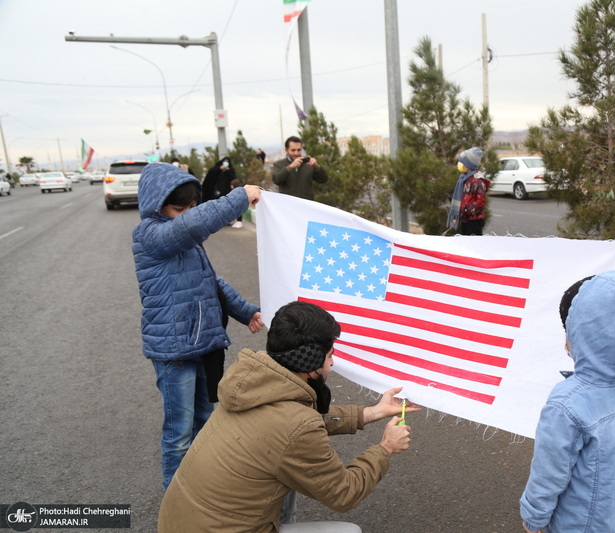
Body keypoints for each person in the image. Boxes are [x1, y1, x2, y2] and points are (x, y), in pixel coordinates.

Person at [158, 301, 415, 533]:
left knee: (289, 469)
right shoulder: (296, 426)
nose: (333, 363)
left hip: (181, 522)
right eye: (329, 356)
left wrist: (373, 412)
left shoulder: (250, 385)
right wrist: (385, 448)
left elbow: (291, 424)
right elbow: (344, 493)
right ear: (310, 363)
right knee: (348, 531)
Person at [132, 162, 265, 491]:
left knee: (206, 424)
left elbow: (211, 282)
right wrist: (238, 198)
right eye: (179, 208)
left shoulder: (181, 236)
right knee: (179, 435)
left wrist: (246, 311)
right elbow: (191, 225)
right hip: (173, 350)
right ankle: (175, 506)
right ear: (156, 203)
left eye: (191, 206)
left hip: (203, 344)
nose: (186, 213)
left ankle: (203, 494)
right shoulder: (150, 234)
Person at [519, 271, 615, 533]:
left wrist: (534, 518)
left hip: (572, 522)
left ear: (584, 331)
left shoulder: (566, 403)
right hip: (611, 511)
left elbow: (549, 473)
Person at [446, 147, 490, 235]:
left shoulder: (477, 181)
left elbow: (480, 202)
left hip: (474, 221)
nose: (459, 164)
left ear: (469, 165)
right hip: (466, 220)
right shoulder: (463, 179)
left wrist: (466, 211)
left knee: (473, 245)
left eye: (462, 162)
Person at [271, 135, 329, 201]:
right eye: (293, 150)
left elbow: (323, 179)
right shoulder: (279, 164)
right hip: (288, 205)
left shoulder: (308, 164)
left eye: (299, 150)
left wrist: (316, 166)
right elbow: (276, 179)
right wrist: (291, 167)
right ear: (286, 150)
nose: (296, 153)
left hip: (306, 205)